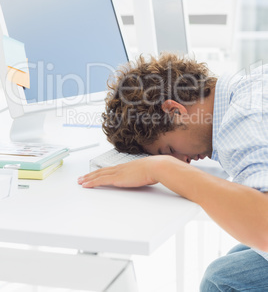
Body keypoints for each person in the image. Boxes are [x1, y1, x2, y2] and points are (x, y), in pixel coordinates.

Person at [78, 53, 268, 291]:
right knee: (240, 253)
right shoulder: (251, 87)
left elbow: (264, 226)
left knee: (222, 281)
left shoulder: (242, 123)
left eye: (169, 149)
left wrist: (163, 168)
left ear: (174, 111)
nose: (184, 161)